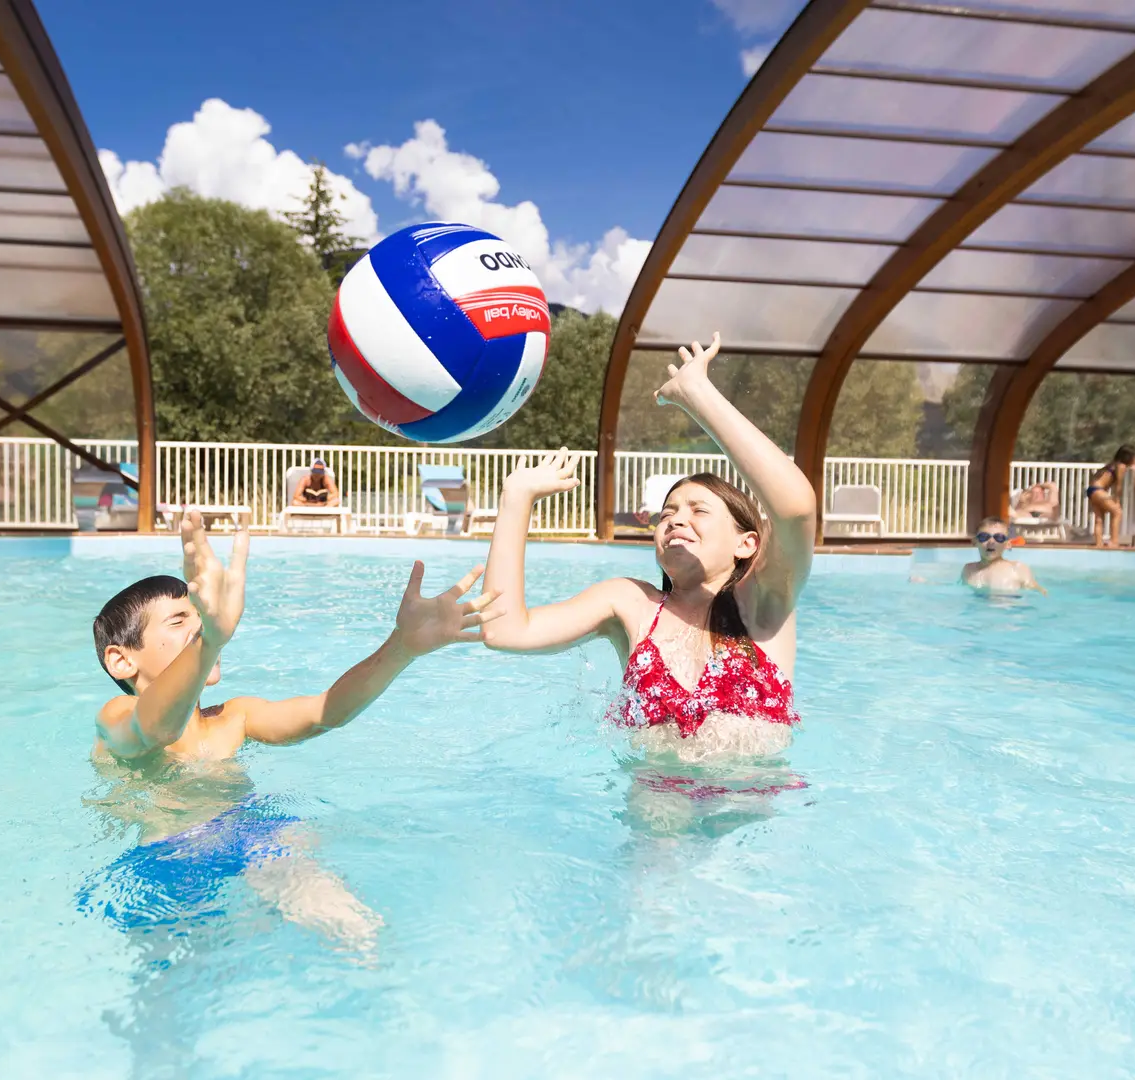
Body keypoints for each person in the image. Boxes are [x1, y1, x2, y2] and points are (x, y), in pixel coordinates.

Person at [77, 513, 499, 947]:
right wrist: (212, 642)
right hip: (163, 861)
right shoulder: (116, 715)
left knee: (361, 935)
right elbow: (155, 729)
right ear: (122, 660)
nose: (200, 623)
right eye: (179, 620)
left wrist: (402, 647)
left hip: (252, 839)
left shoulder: (234, 718)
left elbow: (325, 712)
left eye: (202, 613)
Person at [479, 333, 813, 835]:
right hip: (659, 798)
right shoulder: (630, 602)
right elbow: (505, 631)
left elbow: (796, 508)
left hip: (754, 805)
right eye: (667, 514)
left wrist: (698, 395)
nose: (677, 519)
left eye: (699, 510)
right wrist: (516, 499)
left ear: (747, 544)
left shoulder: (764, 603)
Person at [960, 518, 1046, 595]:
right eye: (984, 537)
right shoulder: (968, 569)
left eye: (999, 538)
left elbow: (1039, 594)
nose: (991, 541)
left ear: (1008, 544)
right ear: (975, 541)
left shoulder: (1017, 569)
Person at [1085, 445, 1135, 548]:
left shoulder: (1112, 465)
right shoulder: (1121, 466)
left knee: (1099, 519)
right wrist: (1117, 500)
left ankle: (1099, 544)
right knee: (1117, 512)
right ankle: (1114, 542)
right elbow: (1118, 486)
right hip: (1098, 491)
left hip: (1092, 490)